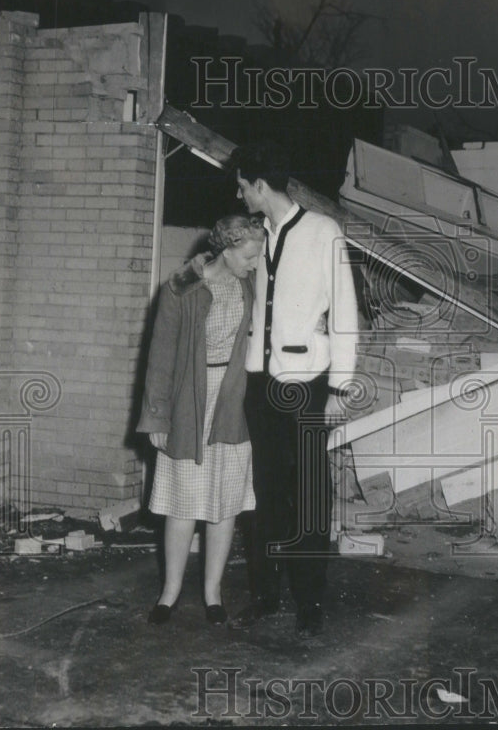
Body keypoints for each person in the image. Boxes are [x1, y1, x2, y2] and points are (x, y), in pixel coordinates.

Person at [226, 143, 358, 638]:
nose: (238, 194)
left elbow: (345, 313)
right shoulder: (257, 235)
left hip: (306, 385)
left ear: (261, 185)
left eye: (242, 185)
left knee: (308, 497)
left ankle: (310, 602)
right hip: (260, 384)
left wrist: (340, 388)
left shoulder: (324, 231)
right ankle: (264, 595)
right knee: (264, 495)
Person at [138, 214, 266, 625]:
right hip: (187, 403)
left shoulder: (249, 284)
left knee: (224, 503)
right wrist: (157, 419)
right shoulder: (181, 288)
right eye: (249, 254)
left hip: (231, 403)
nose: (255, 261)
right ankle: (169, 593)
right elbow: (159, 360)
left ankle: (213, 593)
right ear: (226, 248)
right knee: (182, 503)